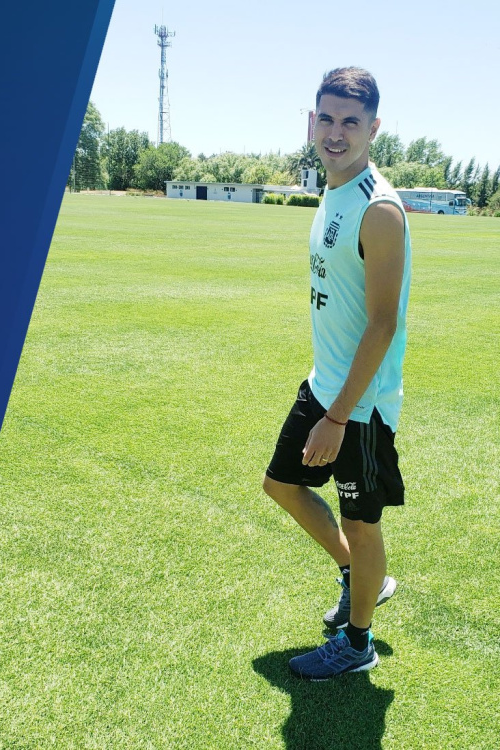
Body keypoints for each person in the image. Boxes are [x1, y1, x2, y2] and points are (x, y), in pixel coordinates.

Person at [262, 67, 411, 680]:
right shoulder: (333, 190)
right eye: (326, 118)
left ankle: (357, 643)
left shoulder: (379, 211)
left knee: (360, 520)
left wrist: (338, 417)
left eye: (351, 122)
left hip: (360, 403)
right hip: (325, 382)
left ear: (373, 129)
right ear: (311, 122)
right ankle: (359, 577)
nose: (335, 132)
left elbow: (382, 323)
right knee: (281, 484)